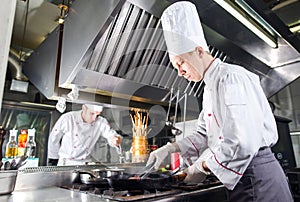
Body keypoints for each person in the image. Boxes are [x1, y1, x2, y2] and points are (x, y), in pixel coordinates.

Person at [146, 1, 293, 201]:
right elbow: (204, 134)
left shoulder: (230, 78)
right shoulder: (210, 89)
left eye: (181, 63)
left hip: (256, 179)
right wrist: (173, 148)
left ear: (199, 51)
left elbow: (241, 142)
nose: (179, 72)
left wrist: (202, 167)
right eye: (175, 66)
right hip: (245, 179)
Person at [48, 104, 122, 166]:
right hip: (66, 163)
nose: (94, 118)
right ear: (84, 108)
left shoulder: (101, 122)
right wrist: (54, 158)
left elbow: (112, 135)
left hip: (86, 164)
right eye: (92, 113)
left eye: (97, 115)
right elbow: (54, 138)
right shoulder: (68, 118)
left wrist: (115, 140)